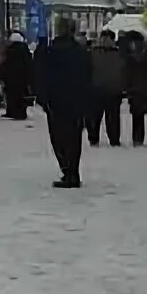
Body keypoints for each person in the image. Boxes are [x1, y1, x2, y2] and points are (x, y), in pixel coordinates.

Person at [37, 18, 91, 188]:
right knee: (74, 137)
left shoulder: (50, 52)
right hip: (76, 100)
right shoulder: (81, 52)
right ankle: (72, 171)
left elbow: (41, 77)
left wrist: (43, 98)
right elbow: (88, 76)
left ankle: (67, 169)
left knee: (58, 137)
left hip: (56, 101)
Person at [87, 29, 125, 146]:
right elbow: (123, 71)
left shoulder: (92, 53)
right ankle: (114, 139)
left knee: (95, 116)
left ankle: (93, 138)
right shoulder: (119, 54)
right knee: (113, 117)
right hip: (114, 89)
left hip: (96, 88)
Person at [1, 32, 33, 121]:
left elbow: (5, 64)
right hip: (22, 76)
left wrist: (3, 76)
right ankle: (21, 113)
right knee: (20, 95)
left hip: (11, 77)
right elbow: (28, 63)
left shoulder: (9, 50)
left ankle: (11, 112)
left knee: (11, 95)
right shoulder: (24, 49)